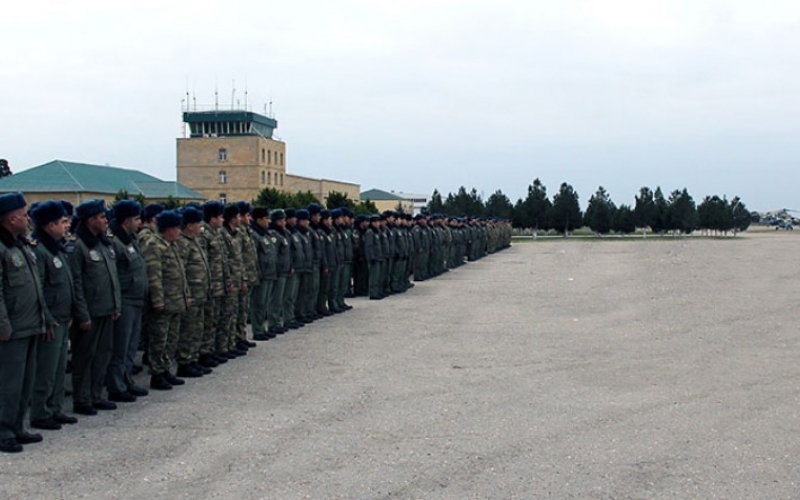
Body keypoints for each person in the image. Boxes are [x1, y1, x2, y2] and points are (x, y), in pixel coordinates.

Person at [0, 193, 48, 453]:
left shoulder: (20, 245)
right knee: (8, 383)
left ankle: (18, 426)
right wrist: (3, 326)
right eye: (24, 214)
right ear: (11, 219)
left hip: (30, 323)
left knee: (24, 382)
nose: (28, 219)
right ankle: (4, 430)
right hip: (12, 329)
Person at [29, 201, 78, 431]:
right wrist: (47, 318)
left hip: (62, 316)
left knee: (58, 368)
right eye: (61, 223)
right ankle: (41, 412)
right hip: (50, 320)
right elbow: (37, 289)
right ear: (49, 226)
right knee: (46, 370)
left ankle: (55, 408)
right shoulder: (39, 250)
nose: (65, 226)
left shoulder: (56, 247)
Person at [70, 199, 122, 415]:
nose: (105, 220)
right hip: (90, 311)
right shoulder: (78, 246)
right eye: (101, 217)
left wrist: (116, 305)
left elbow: (112, 278)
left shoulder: (104, 243)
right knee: (85, 356)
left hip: (107, 309)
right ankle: (82, 399)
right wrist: (82, 315)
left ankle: (95, 395)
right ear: (90, 220)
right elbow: (77, 283)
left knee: (103, 354)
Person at [106, 200, 149, 403]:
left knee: (131, 345)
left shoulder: (130, 240)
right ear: (125, 221)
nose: (139, 223)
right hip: (125, 300)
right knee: (120, 347)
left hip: (136, 298)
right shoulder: (115, 242)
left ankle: (126, 380)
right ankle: (116, 385)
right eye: (136, 219)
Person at [143, 210, 189, 390]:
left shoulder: (172, 245)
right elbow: (154, 276)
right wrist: (158, 301)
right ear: (168, 229)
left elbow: (180, 274)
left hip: (176, 300)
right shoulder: (154, 245)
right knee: (158, 340)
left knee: (171, 339)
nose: (179, 231)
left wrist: (186, 296)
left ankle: (166, 370)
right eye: (176, 228)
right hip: (163, 303)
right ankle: (157, 373)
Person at [175, 207, 211, 378]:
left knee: (197, 327)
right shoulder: (182, 242)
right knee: (188, 329)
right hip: (191, 293)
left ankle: (194, 359)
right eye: (198, 223)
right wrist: (186, 293)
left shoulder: (193, 240)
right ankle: (184, 361)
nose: (201, 226)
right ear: (189, 225)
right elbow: (181, 271)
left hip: (200, 292)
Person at [249, 207, 277, 341]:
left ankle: (262, 328)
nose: (268, 221)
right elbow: (253, 257)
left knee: (265, 302)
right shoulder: (254, 235)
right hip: (261, 274)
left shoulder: (265, 234)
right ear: (259, 219)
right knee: (258, 303)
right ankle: (257, 330)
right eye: (266, 218)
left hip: (269, 273)